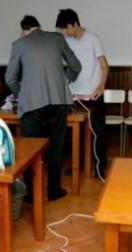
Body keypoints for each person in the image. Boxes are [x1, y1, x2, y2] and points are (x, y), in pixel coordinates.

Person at [5, 15, 82, 201]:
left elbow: (10, 79)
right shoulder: (57, 38)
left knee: (30, 148)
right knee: (56, 146)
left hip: (31, 103)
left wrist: (22, 92)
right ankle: (54, 190)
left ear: (24, 30)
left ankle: (31, 195)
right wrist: (65, 81)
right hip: (58, 100)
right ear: (39, 25)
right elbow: (76, 66)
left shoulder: (19, 44)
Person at [55, 8, 110, 177]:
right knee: (76, 135)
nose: (65, 32)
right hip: (74, 95)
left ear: (74, 24)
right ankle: (77, 167)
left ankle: (100, 168)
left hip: (93, 95)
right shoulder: (67, 41)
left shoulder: (93, 39)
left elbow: (104, 66)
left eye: (66, 28)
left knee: (97, 133)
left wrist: (101, 86)